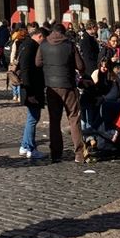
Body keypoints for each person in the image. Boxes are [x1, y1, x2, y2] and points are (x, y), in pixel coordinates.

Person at [35, 23, 85, 163]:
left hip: (51, 86)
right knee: (74, 118)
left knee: (54, 120)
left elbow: (37, 63)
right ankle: (79, 154)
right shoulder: (69, 44)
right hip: (68, 85)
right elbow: (80, 66)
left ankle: (56, 153)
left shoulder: (44, 44)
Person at [18, 26, 48, 159]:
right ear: (40, 36)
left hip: (29, 88)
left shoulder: (26, 44)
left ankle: (24, 145)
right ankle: (31, 148)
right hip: (31, 88)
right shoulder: (31, 46)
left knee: (31, 117)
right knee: (33, 118)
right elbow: (25, 69)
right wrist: (29, 90)